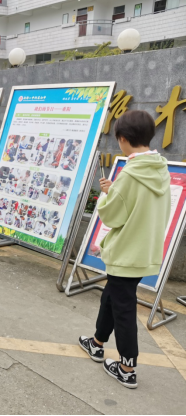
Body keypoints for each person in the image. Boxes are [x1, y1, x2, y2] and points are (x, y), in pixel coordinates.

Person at [79, 110, 171, 389]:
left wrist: (107, 195)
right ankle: (97, 342)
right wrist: (114, 190)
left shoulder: (130, 174)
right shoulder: (160, 169)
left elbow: (112, 216)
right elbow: (137, 205)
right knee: (113, 295)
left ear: (123, 139)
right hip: (145, 250)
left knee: (123, 308)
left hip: (126, 252)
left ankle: (127, 367)